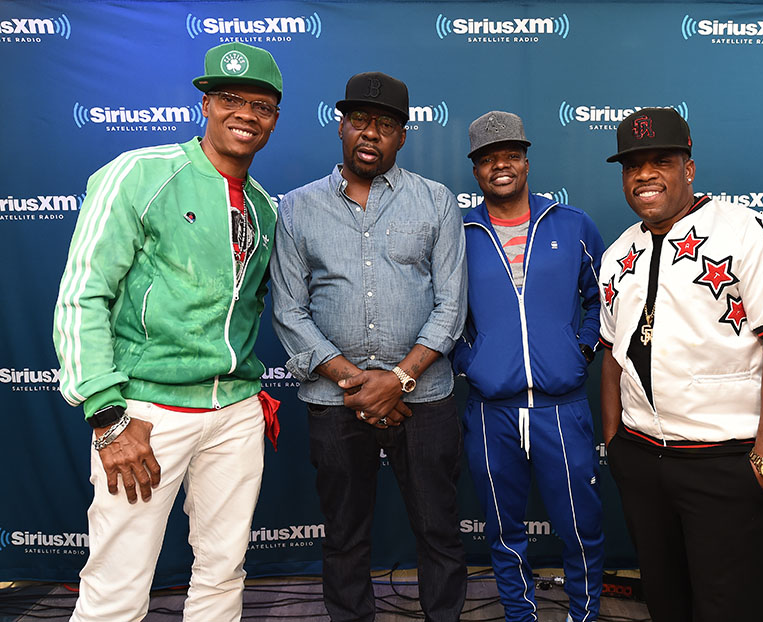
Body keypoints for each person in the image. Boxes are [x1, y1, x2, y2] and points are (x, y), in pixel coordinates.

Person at [52, 42, 283, 622]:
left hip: (234, 411)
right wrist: (108, 417)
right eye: (231, 98)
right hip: (147, 413)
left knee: (224, 570)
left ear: (275, 118)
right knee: (118, 580)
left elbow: (246, 310)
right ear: (204, 103)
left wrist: (248, 397)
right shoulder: (141, 172)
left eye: (262, 105)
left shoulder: (264, 207)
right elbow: (83, 296)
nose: (246, 114)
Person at [598, 107, 763, 622]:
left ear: (688, 168)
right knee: (668, 605)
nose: (644, 174)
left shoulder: (750, 232)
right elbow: (611, 352)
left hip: (724, 463)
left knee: (729, 608)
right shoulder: (615, 253)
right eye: (632, 165)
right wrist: (614, 441)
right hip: (643, 461)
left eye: (661, 161)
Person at [270, 71, 468, 622]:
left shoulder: (435, 201)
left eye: (384, 125)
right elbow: (289, 309)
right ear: (341, 127)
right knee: (344, 537)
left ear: (402, 136)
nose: (370, 133)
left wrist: (399, 379)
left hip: (424, 398)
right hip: (337, 403)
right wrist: (354, 382)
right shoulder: (298, 207)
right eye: (359, 120)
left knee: (439, 532)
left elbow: (451, 305)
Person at [450, 111, 606, 622]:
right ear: (476, 170)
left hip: (562, 409)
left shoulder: (571, 223)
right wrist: (470, 362)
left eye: (510, 155)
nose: (501, 165)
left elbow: (603, 297)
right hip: (491, 410)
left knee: (580, 527)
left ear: (526, 161)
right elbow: (439, 309)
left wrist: (580, 348)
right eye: (488, 158)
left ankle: (583, 615)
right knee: (503, 529)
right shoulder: (457, 232)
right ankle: (521, 616)